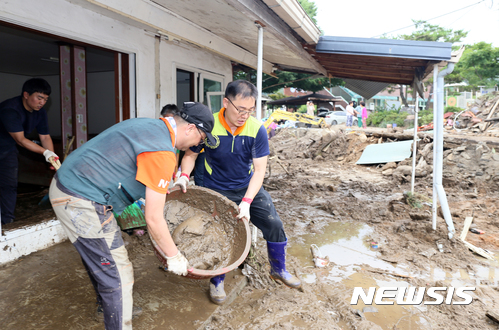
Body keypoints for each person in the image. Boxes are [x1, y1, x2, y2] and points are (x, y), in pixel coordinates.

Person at [49, 102, 215, 330]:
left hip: (69, 184)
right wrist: (174, 256)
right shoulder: (163, 151)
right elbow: (153, 218)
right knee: (119, 274)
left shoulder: (150, 125)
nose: (198, 144)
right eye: (201, 138)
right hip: (80, 198)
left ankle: (106, 306)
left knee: (100, 255)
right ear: (190, 129)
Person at [174, 80, 301, 305]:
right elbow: (191, 155)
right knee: (220, 233)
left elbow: (260, 169)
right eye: (240, 109)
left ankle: (278, 269)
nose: (245, 115)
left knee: (274, 224)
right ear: (226, 102)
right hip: (215, 188)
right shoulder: (209, 124)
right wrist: (184, 176)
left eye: (250, 110)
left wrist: (247, 201)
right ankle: (217, 281)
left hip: (247, 186)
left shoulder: (256, 129)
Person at [0, 78, 59, 225]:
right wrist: (45, 153)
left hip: (8, 149)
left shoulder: (40, 113)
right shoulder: (10, 109)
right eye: (39, 98)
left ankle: (7, 221)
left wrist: (52, 157)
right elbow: (21, 139)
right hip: (9, 143)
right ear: (26, 95)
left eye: (45, 99)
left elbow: (45, 137)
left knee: (9, 184)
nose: (42, 102)